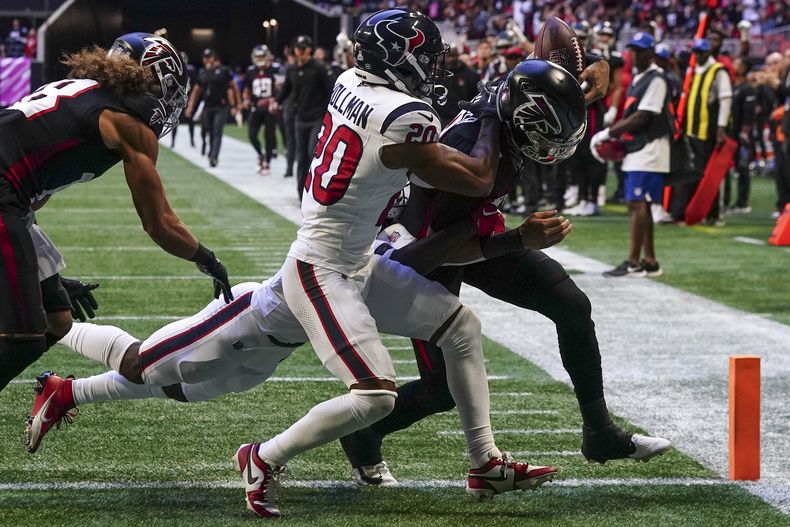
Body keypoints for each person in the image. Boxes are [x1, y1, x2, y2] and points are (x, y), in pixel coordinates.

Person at [238, 9, 570, 518]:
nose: (433, 69)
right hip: (323, 267)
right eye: (425, 59)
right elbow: (480, 180)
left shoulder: (352, 80)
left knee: (461, 328)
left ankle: (486, 464)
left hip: (360, 257)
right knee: (374, 395)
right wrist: (488, 107)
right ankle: (262, 457)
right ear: (400, 60)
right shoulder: (404, 118)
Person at [339, 58, 670, 485]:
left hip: (471, 227)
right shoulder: (469, 151)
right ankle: (363, 435)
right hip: (424, 251)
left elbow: (546, 46)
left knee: (569, 303)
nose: (553, 146)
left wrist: (592, 65)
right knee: (440, 389)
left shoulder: (509, 100)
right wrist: (518, 240)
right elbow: (433, 253)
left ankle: (599, 432)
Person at [25, 208, 555, 454]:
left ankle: (67, 391)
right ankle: (55, 328)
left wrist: (502, 239)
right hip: (248, 316)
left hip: (276, 346)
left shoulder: (379, 235)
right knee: (141, 362)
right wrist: (489, 237)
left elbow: (407, 272)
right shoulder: (365, 228)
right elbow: (406, 255)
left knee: (181, 389)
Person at [0, 32, 232, 393]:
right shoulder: (126, 122)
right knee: (24, 338)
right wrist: (207, 259)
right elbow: (159, 223)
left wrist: (50, 278)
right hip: (4, 192)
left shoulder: (82, 91)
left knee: (56, 318)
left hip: (12, 196)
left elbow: (31, 199)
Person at [592, 32, 671, 278]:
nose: (635, 55)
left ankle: (634, 262)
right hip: (639, 148)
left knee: (637, 204)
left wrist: (608, 133)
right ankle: (650, 260)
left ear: (651, 53)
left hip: (650, 148)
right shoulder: (641, 78)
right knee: (641, 205)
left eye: (640, 50)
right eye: (633, 50)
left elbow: (643, 116)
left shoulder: (656, 79)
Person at [669, 37, 732, 224]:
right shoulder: (694, 70)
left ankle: (713, 214)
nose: (697, 56)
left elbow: (725, 99)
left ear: (708, 53)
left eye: (700, 53)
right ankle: (683, 212)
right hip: (690, 130)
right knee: (688, 172)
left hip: (708, 131)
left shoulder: (718, 71)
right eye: (695, 52)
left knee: (709, 175)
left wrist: (721, 128)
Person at [275, 35, 334, 199]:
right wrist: (275, 101)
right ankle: (302, 194)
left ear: (309, 49)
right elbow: (286, 89)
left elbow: (332, 89)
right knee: (301, 157)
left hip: (318, 117)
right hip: (300, 118)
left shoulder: (320, 68)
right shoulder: (292, 69)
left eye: (303, 48)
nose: (300, 51)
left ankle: (316, 191)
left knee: (312, 153)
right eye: (298, 48)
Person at [185, 49, 241, 167]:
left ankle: (214, 156)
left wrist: (237, 104)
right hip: (207, 106)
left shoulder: (223, 71)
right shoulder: (203, 73)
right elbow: (196, 90)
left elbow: (234, 87)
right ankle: (210, 152)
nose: (207, 59)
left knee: (217, 131)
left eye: (209, 57)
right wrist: (190, 106)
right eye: (205, 57)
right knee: (208, 130)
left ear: (214, 57)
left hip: (221, 106)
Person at [725, 58, 756, 214]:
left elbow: (749, 113)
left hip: (740, 134)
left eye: (736, 63)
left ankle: (742, 202)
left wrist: (745, 132)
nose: (733, 65)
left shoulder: (747, 88)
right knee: (725, 167)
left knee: (742, 167)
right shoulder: (731, 86)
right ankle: (726, 201)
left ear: (743, 68)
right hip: (729, 133)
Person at [243, 45, 279, 175]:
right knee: (252, 135)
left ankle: (267, 163)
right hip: (256, 106)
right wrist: (246, 99)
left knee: (269, 136)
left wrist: (273, 100)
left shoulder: (274, 70)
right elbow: (247, 89)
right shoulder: (251, 71)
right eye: (258, 57)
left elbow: (280, 88)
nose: (260, 59)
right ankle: (260, 154)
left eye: (262, 56)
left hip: (270, 107)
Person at [435, 43, 479, 125]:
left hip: (463, 119)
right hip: (441, 118)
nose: (451, 59)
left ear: (458, 56)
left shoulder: (470, 75)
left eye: (453, 56)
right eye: (449, 56)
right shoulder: (437, 75)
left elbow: (476, 99)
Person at [170, 51, 198, 148]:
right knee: (175, 120)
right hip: (178, 98)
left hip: (188, 97)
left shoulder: (190, 69)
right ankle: (173, 142)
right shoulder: (175, 70)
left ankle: (192, 140)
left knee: (190, 121)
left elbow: (195, 85)